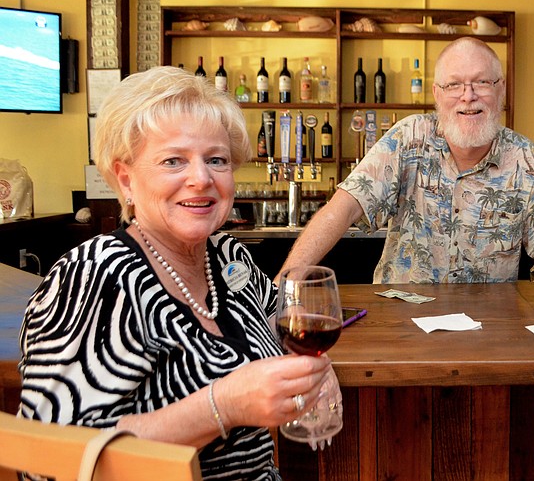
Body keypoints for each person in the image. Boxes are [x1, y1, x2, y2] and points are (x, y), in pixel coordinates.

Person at [18, 67, 339, 480]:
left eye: (216, 160)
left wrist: (317, 361)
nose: (201, 179)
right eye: (173, 160)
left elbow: (282, 325)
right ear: (125, 178)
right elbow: (49, 462)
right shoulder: (92, 277)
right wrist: (223, 405)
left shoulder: (227, 257)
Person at [281, 37, 534, 285]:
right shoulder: (407, 139)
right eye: (454, 85)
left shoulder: (528, 161)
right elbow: (343, 207)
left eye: (481, 82)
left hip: (487, 330)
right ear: (436, 93)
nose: (468, 96)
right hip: (399, 322)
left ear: (501, 89)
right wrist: (285, 286)